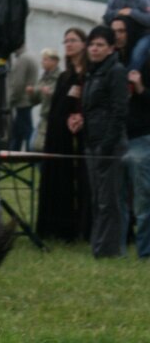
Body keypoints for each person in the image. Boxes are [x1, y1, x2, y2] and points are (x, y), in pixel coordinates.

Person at [68, 25, 128, 258]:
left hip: (108, 145)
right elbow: (94, 109)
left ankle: (108, 250)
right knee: (97, 198)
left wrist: (106, 145)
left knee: (108, 200)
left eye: (100, 45)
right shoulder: (92, 72)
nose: (94, 48)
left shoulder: (116, 71)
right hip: (92, 142)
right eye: (92, 44)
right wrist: (81, 120)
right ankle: (99, 247)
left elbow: (119, 112)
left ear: (111, 48)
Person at [35, 28, 91, 242]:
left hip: (79, 133)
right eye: (66, 41)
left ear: (83, 44)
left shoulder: (88, 73)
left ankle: (77, 226)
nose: (69, 44)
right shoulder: (64, 75)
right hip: (58, 133)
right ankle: (55, 225)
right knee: (57, 177)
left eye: (73, 40)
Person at [121, 48, 150, 259]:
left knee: (143, 200)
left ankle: (145, 251)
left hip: (142, 137)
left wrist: (140, 88)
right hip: (126, 137)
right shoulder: (136, 57)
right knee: (125, 199)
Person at [103, 0, 150, 71]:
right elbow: (106, 17)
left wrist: (132, 13)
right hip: (121, 35)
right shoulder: (113, 0)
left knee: (137, 53)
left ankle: (131, 74)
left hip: (143, 35)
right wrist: (118, 12)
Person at [26, 47, 61, 150]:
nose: (42, 62)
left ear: (54, 61)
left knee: (40, 147)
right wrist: (31, 93)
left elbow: (61, 97)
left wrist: (51, 93)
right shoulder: (44, 78)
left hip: (54, 119)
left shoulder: (60, 77)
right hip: (43, 119)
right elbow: (35, 101)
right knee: (33, 146)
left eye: (45, 59)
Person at [8, 44, 38, 151]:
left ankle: (30, 154)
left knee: (26, 131)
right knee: (18, 133)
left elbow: (18, 83)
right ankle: (14, 154)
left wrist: (11, 99)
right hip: (27, 99)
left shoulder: (22, 59)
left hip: (22, 101)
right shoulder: (30, 57)